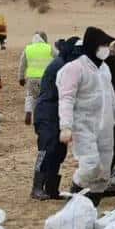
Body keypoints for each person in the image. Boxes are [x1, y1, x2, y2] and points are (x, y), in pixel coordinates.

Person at [57, 27, 115, 205]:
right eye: (104, 45)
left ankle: (90, 209)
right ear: (93, 45)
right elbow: (66, 99)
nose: (107, 49)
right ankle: (74, 194)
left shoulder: (104, 69)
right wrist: (66, 126)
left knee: (103, 174)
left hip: (105, 128)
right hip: (83, 126)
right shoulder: (75, 69)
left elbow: (113, 101)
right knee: (90, 166)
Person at [32, 37, 80, 200]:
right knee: (46, 150)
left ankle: (52, 189)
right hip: (47, 113)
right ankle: (37, 188)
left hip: (57, 113)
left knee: (58, 151)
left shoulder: (64, 63)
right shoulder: (61, 66)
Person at [18, 32, 54, 126]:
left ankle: (29, 111)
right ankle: (45, 115)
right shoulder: (49, 48)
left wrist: (21, 77)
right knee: (46, 96)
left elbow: (22, 65)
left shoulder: (28, 49)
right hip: (46, 78)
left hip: (32, 78)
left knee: (30, 96)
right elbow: (58, 58)